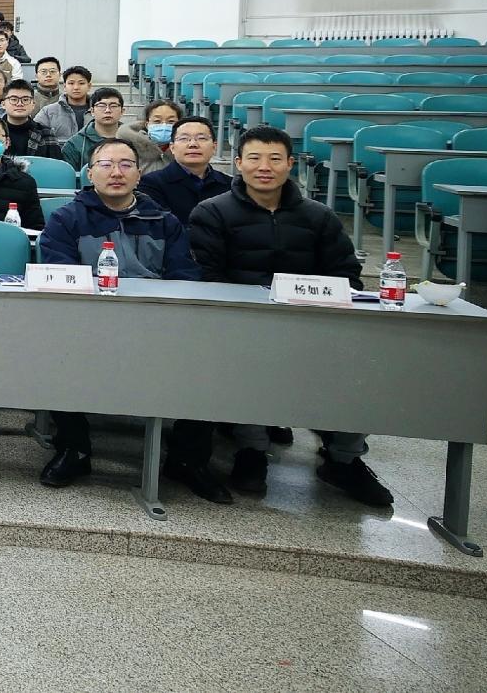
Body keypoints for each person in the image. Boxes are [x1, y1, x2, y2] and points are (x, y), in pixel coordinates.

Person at [183, 126, 392, 508]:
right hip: (242, 323)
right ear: (239, 163)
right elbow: (208, 277)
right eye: (255, 158)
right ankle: (252, 451)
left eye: (275, 159)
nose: (265, 167)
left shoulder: (318, 216)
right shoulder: (212, 212)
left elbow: (346, 274)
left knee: (360, 362)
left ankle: (344, 459)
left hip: (311, 323)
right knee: (248, 358)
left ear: (290, 164)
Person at [36, 138, 214, 498]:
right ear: (90, 174)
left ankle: (186, 459)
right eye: (106, 165)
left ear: (139, 173)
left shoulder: (163, 221)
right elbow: (60, 275)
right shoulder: (67, 218)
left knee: (209, 357)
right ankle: (74, 448)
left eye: (125, 165)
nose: (116, 172)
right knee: (54, 349)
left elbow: (183, 276)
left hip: (155, 320)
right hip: (88, 320)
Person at [141, 116, 227, 223]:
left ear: (214, 147)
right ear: (172, 148)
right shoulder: (150, 184)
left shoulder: (229, 185)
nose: (193, 144)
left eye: (201, 138)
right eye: (184, 138)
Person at [61, 87, 161, 172]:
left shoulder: (137, 140)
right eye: (101, 106)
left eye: (113, 106)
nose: (107, 110)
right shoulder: (75, 144)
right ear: (92, 111)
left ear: (122, 111)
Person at [0, 79, 59, 159]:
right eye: (14, 99)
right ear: (3, 104)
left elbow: (56, 164)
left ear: (33, 104)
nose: (19, 104)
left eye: (25, 100)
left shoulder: (46, 134)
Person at [37, 65, 91, 141]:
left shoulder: (100, 110)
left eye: (81, 83)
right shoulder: (48, 112)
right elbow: (35, 135)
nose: (76, 87)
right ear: (65, 86)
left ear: (89, 86)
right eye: (71, 83)